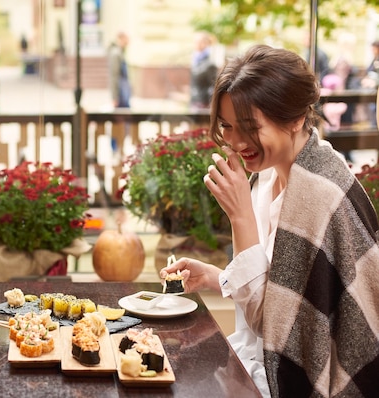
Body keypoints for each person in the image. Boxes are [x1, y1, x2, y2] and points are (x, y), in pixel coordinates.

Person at [160, 45, 379, 397]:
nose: (235, 142)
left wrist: (240, 215)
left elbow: (280, 332)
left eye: (249, 127)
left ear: (295, 119)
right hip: (251, 370)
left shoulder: (318, 193)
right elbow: (282, 293)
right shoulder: (265, 175)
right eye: (227, 127)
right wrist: (220, 278)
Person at [189, 31, 218, 109]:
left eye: (199, 42)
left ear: (206, 43)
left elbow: (214, 86)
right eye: (195, 42)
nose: (196, 44)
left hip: (203, 104)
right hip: (194, 102)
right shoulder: (195, 60)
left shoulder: (210, 64)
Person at [107, 31, 131, 109]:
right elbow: (114, 76)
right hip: (121, 94)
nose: (128, 42)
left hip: (123, 92)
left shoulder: (120, 52)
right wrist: (114, 97)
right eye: (126, 40)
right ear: (121, 39)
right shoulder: (116, 54)